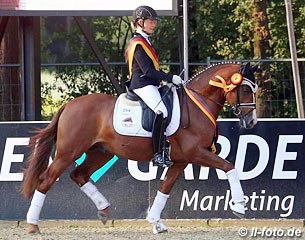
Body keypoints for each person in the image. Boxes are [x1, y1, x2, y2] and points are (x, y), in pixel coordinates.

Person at [125, 5, 184, 167]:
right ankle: (158, 153)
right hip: (142, 84)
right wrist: (169, 77)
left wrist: (167, 79)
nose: (153, 25)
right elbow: (148, 71)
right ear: (139, 22)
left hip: (150, 83)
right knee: (162, 111)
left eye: (154, 22)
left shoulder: (145, 40)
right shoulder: (137, 43)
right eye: (150, 22)